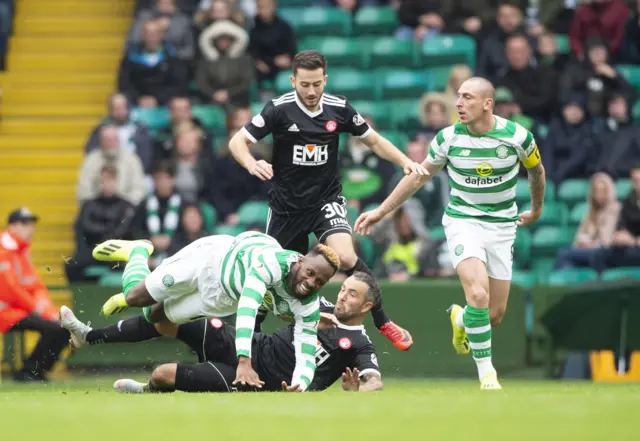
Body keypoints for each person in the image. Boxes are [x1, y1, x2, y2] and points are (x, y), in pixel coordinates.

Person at [227, 50, 427, 351]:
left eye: (317, 84)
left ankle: (383, 320)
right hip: (285, 209)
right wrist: (250, 163)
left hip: (325, 201)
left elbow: (373, 140)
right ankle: (244, 357)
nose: (311, 92)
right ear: (294, 80)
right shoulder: (278, 109)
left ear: (325, 79)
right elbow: (237, 141)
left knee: (347, 257)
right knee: (268, 280)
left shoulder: (339, 109)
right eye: (304, 84)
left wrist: (404, 161)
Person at [355, 77, 546, 390]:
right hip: (463, 221)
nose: (458, 103)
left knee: (493, 315)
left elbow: (536, 172)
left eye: (467, 98)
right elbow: (417, 178)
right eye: (458, 97)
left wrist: (537, 209)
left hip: (501, 226)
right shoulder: (447, 138)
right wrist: (381, 212)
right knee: (479, 295)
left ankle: (461, 318)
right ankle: (488, 376)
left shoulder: (517, 136)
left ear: (487, 103)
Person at [91, 231, 340, 391]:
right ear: (300, 261)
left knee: (152, 315)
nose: (312, 282)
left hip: (220, 299)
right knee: (135, 296)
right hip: (209, 260)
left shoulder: (309, 303)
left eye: (320, 281)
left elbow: (306, 351)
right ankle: (138, 251)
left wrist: (300, 385)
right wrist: (244, 360)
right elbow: (248, 307)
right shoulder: (274, 264)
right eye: (310, 273)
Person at [59, 272, 383, 393]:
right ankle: (88, 335)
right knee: (172, 318)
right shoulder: (319, 302)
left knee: (162, 375)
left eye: (352, 294)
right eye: (345, 289)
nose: (342, 295)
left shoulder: (359, 344)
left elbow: (375, 381)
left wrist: (355, 394)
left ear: (366, 307)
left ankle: (146, 389)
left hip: (254, 380)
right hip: (245, 343)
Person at [0, 208, 70, 382]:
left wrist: (50, 311)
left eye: (30, 224)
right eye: (24, 224)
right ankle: (29, 372)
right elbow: (11, 290)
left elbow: (36, 285)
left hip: (19, 309)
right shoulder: (4, 250)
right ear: (12, 226)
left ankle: (35, 371)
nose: (30, 228)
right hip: (7, 311)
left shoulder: (22, 250)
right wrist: (37, 310)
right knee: (54, 328)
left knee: (61, 327)